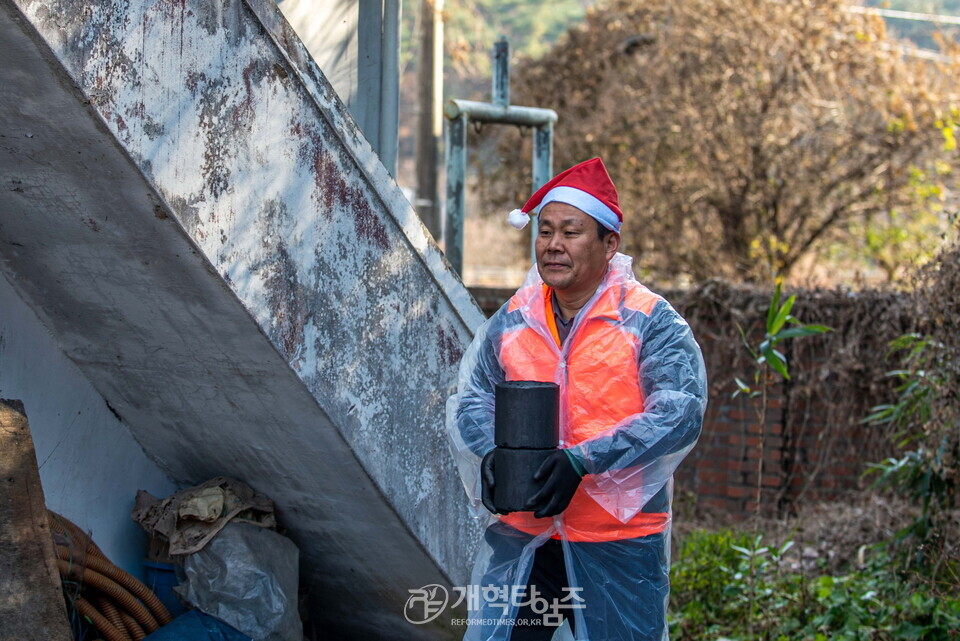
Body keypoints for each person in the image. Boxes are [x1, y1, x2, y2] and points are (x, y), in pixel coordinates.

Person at [446, 158, 708, 641]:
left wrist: (582, 461)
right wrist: (488, 454)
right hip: (527, 535)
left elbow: (679, 412)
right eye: (545, 232)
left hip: (619, 540)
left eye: (571, 232)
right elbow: (472, 398)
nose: (554, 245)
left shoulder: (649, 321)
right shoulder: (514, 319)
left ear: (611, 244)